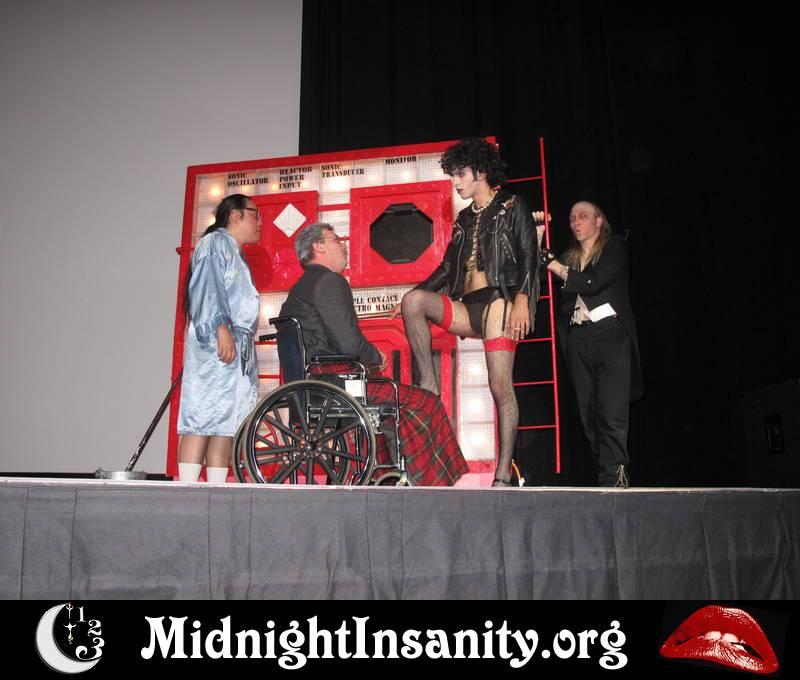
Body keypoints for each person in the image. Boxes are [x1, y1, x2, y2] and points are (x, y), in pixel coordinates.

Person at [393, 138, 539, 487]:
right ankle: (429, 386)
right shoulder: (463, 219)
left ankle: (503, 473)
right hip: (468, 306)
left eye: (460, 174)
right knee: (413, 302)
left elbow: (529, 254)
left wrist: (523, 299)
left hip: (500, 301)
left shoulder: (512, 204)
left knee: (500, 385)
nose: (455, 182)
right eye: (453, 175)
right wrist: (412, 293)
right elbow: (447, 269)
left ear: (481, 172)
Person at [279, 222, 469, 486]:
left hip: (313, 382)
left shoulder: (299, 290)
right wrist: (375, 355)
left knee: (386, 405)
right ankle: (430, 482)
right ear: (318, 246)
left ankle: (385, 478)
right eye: (336, 240)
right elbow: (349, 344)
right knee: (426, 402)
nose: (343, 246)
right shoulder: (329, 281)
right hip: (335, 383)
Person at [540, 201, 642, 487]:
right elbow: (537, 270)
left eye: (583, 216)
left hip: (610, 334)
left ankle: (616, 475)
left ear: (599, 221)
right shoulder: (570, 257)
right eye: (572, 217)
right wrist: (537, 235)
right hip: (578, 336)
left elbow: (592, 283)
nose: (575, 221)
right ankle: (606, 474)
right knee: (588, 412)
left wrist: (554, 265)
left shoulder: (614, 247)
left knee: (611, 409)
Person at [176, 194, 262, 483]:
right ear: (235, 215)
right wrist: (220, 328)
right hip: (216, 339)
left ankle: (216, 490)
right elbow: (208, 288)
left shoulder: (236, 253)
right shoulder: (213, 243)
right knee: (202, 416)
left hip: (236, 343)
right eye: (255, 214)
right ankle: (188, 490)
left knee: (227, 422)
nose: (259, 222)